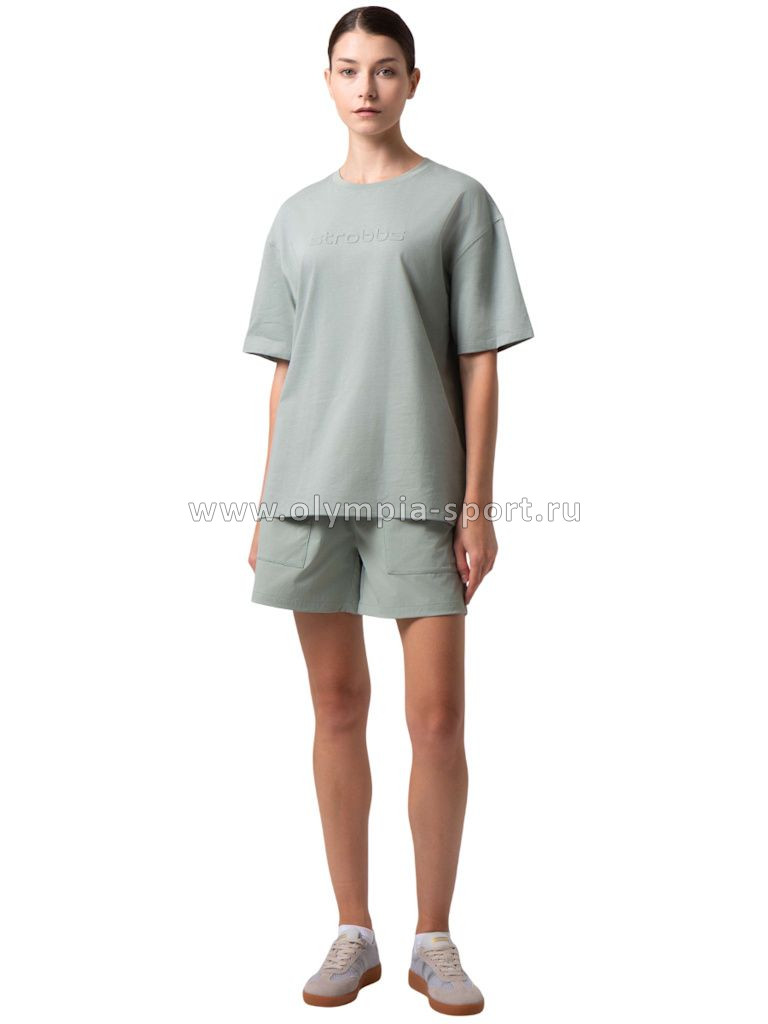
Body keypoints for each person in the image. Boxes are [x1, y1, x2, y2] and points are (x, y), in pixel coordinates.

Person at [241, 6, 534, 1016]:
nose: (366, 87)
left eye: (385, 69)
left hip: (419, 488)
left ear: (413, 81)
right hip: (308, 491)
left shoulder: (459, 202)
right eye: (348, 69)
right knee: (335, 708)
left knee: (437, 719)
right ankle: (353, 931)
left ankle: (434, 939)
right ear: (326, 81)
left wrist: (476, 505)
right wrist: (265, 499)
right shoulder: (294, 217)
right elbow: (284, 372)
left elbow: (480, 362)